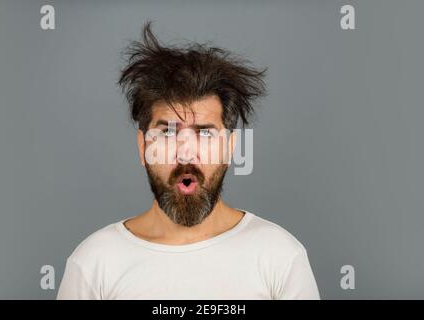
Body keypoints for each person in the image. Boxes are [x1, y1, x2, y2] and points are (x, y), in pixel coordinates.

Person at [57, 22, 320, 300]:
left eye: (205, 133)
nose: (185, 154)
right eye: (167, 132)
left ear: (230, 148)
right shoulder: (93, 264)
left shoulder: (280, 257)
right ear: (143, 146)